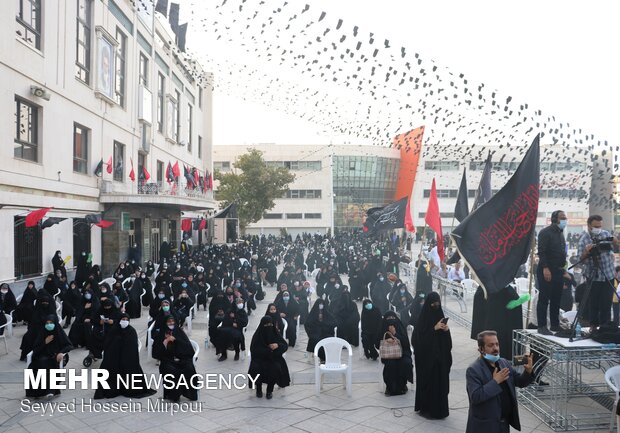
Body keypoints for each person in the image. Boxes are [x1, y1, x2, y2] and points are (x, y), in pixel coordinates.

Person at [466, 330, 534, 433]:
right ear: (481, 349)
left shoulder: (503, 362)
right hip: (485, 426)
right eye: (491, 345)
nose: (495, 348)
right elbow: (476, 397)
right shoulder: (474, 370)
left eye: (497, 344)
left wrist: (528, 372)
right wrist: (495, 382)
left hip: (503, 424)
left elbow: (520, 382)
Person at [94, 313, 156, 399]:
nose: (125, 322)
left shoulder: (131, 331)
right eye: (123, 319)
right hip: (114, 356)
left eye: (127, 320)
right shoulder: (114, 330)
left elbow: (132, 348)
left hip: (127, 357)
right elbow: (107, 344)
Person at [412, 292, 452, 419]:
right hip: (427, 361)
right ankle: (427, 409)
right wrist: (433, 329)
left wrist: (446, 331)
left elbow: (448, 344)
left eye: (438, 303)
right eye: (433, 303)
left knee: (440, 384)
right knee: (429, 384)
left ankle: (440, 410)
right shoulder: (422, 320)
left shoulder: (440, 316)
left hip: (440, 359)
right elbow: (417, 341)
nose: (436, 305)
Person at [577, 215, 618, 329]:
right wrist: (586, 252)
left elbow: (616, 247)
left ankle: (606, 327)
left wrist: (615, 242)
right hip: (593, 276)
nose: (598, 228)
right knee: (594, 304)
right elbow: (579, 261)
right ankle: (593, 327)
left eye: (600, 226)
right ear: (589, 225)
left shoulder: (605, 234)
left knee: (606, 303)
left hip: (608, 274)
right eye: (596, 226)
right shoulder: (583, 239)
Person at [26, 315, 73, 398]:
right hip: (42, 356)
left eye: (51, 323)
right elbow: (35, 349)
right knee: (38, 365)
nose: (49, 325)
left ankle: (50, 390)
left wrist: (61, 353)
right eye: (47, 323)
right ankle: (39, 391)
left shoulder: (59, 332)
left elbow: (68, 345)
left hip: (55, 356)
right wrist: (45, 342)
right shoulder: (42, 333)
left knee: (49, 365)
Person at [152, 315, 198, 401]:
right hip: (168, 360)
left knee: (189, 368)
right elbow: (155, 353)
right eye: (169, 322)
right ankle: (174, 395)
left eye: (172, 321)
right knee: (172, 371)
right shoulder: (160, 334)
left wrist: (176, 340)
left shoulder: (180, 332)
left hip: (182, 359)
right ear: (165, 323)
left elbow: (188, 348)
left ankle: (190, 394)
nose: (171, 323)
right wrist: (165, 343)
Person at [536, 210, 568, 334]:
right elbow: (542, 251)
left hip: (558, 271)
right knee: (544, 299)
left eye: (565, 218)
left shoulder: (561, 233)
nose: (565, 220)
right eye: (562, 218)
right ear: (554, 219)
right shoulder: (545, 232)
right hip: (547, 270)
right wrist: (545, 268)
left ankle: (555, 325)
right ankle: (542, 326)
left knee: (556, 299)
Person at [248, 316, 290, 399]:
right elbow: (254, 349)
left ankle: (269, 390)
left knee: (276, 368)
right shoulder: (257, 336)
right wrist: (268, 350)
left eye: (270, 324)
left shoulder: (275, 334)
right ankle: (258, 389)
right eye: (266, 324)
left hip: (274, 358)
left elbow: (284, 345)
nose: (268, 326)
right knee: (256, 368)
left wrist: (277, 345)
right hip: (259, 359)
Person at [380, 310, 413, 396]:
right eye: (388, 318)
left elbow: (406, 343)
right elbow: (377, 343)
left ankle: (402, 385)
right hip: (388, 354)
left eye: (393, 317)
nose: (391, 320)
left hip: (403, 352)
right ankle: (390, 387)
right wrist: (387, 341)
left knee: (405, 363)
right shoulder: (382, 327)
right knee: (391, 364)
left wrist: (395, 335)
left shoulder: (400, 327)